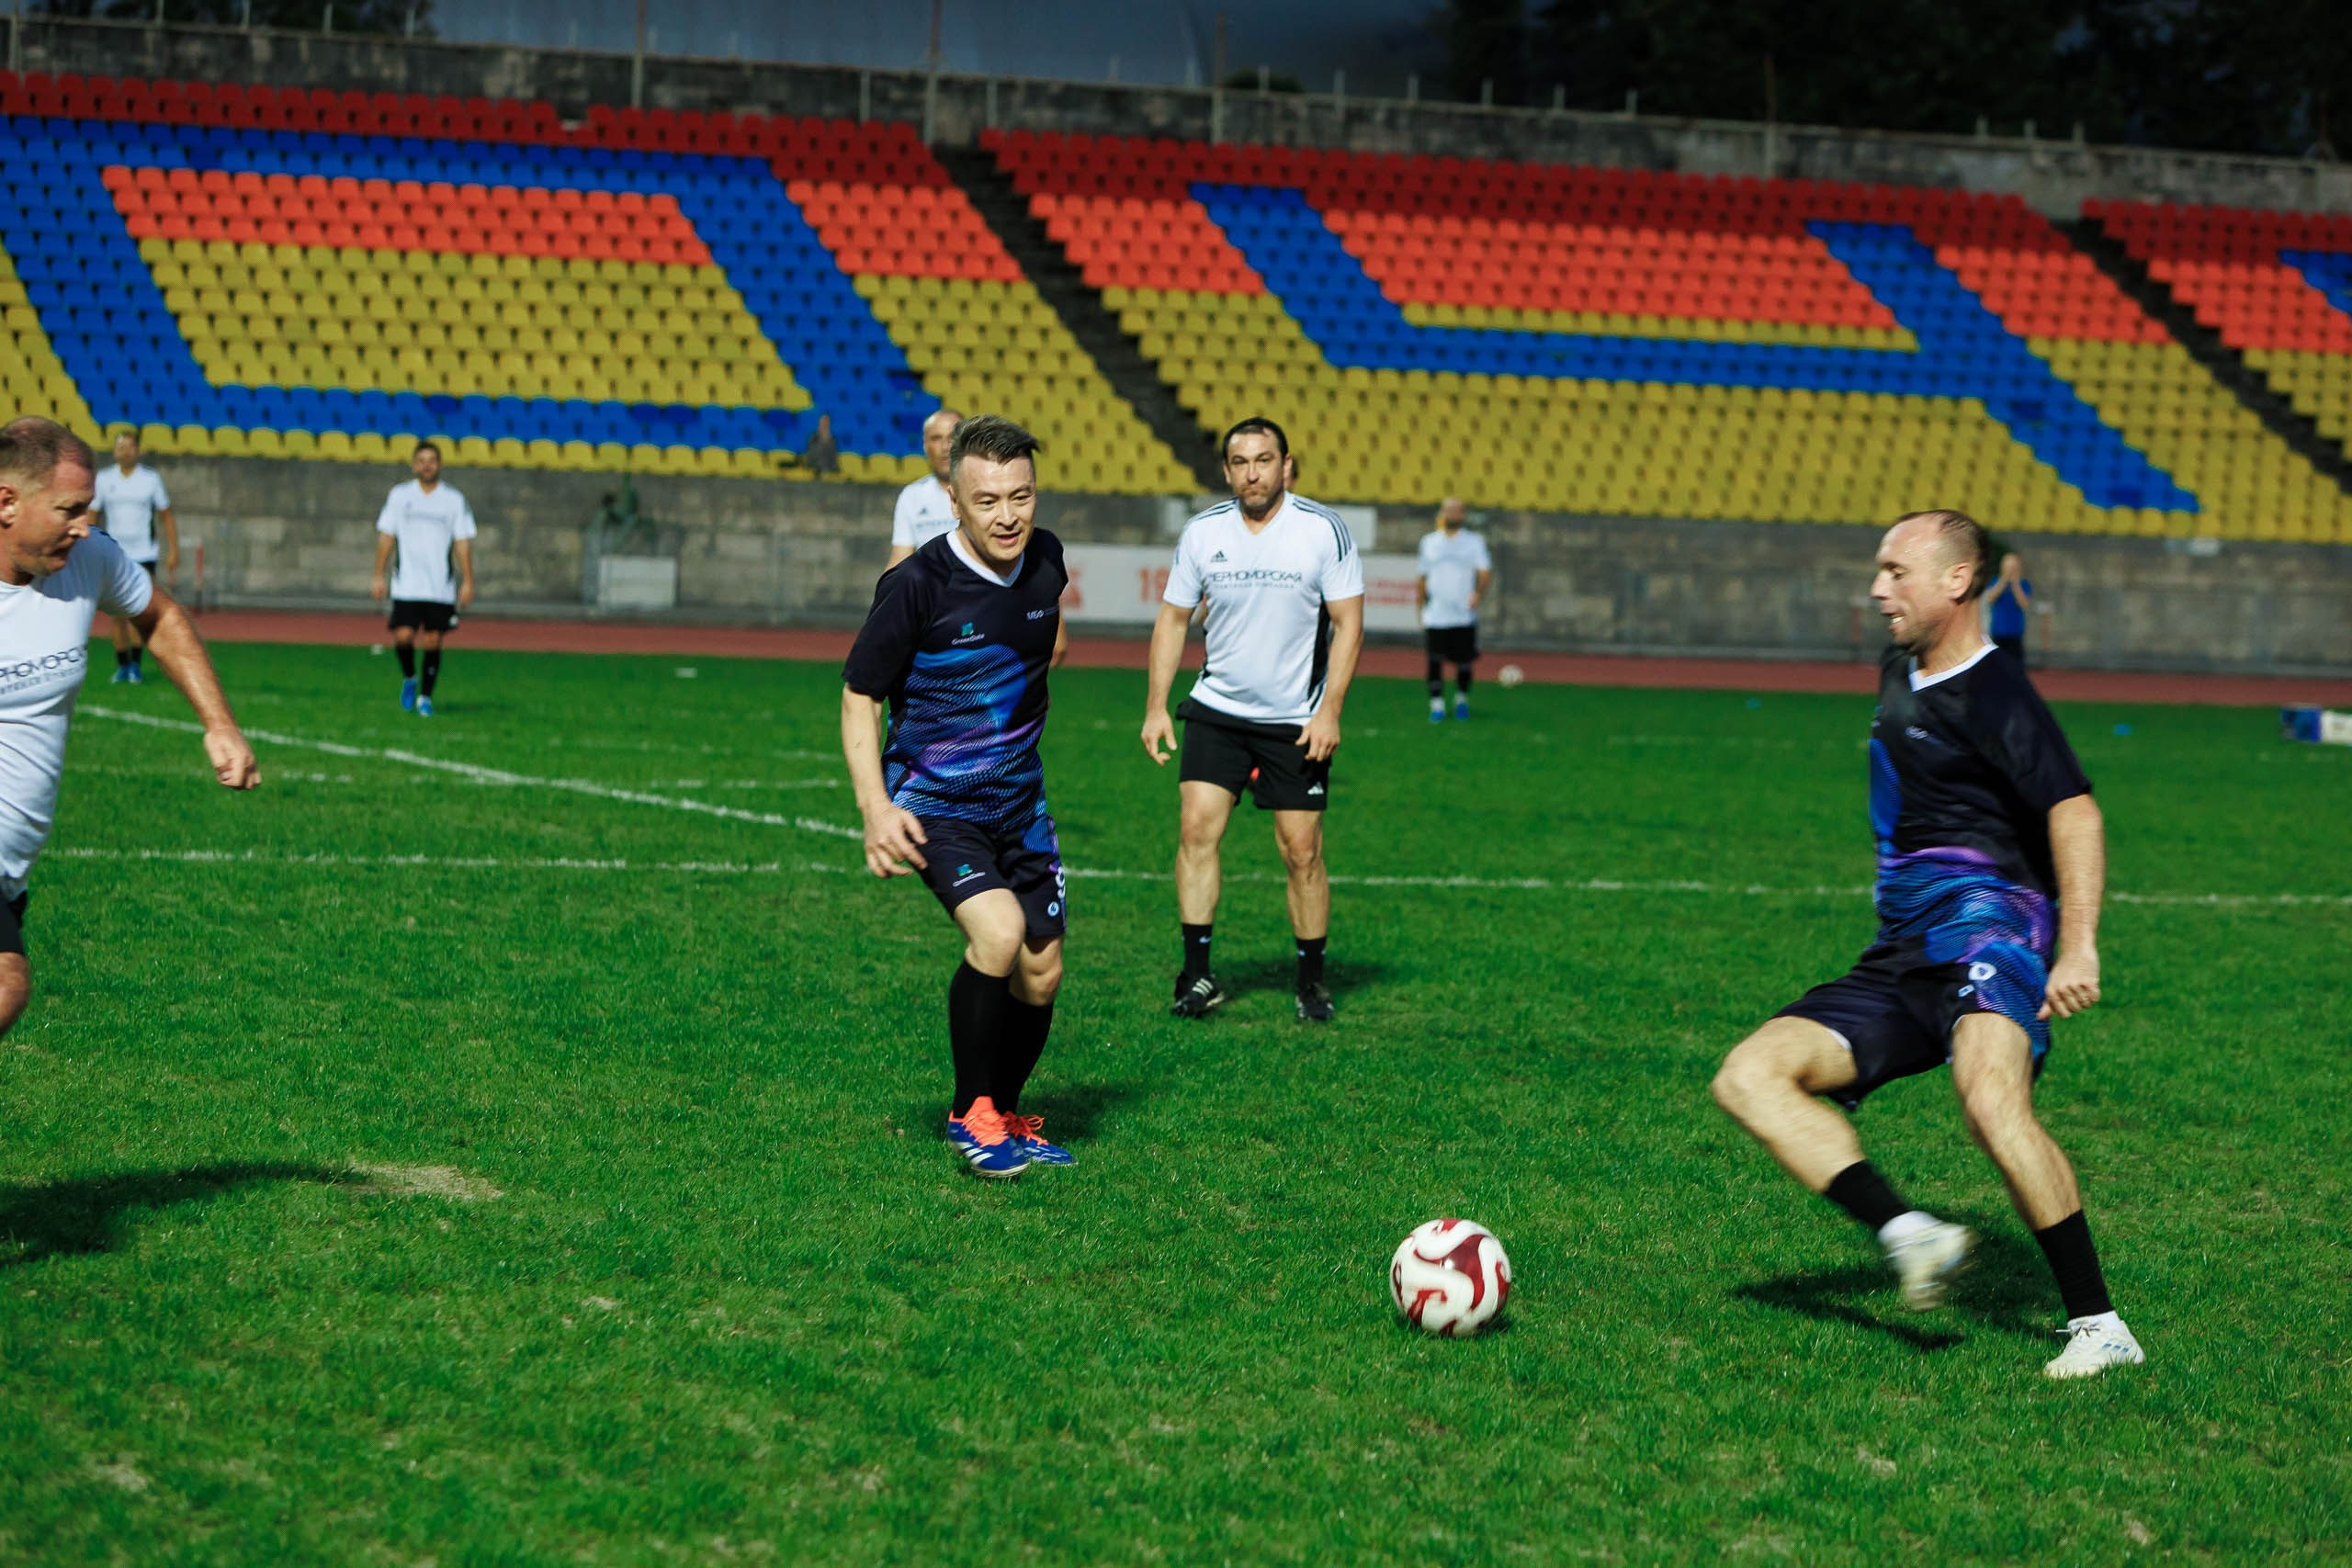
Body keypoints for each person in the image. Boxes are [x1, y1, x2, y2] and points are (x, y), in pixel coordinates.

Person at [1710, 509, 2142, 1381]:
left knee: (1988, 1100)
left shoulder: (1997, 693)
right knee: (1747, 1076)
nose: (1876, 588)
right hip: (1903, 951)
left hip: (1993, 929)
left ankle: (2100, 1324)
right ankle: (1911, 1234)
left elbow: (2075, 810)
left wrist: (2079, 947)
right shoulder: (1901, 665)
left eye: (1895, 571)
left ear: (1956, 581)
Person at [841, 414, 1074, 1179]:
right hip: (936, 804)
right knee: (999, 934)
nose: (1007, 514)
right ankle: (970, 1110)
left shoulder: (1046, 559)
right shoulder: (916, 586)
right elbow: (857, 695)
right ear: (953, 499)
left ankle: (1004, 1111)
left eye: (1021, 495)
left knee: (1042, 971)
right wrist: (878, 808)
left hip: (1020, 804)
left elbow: (1040, 635)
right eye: (987, 500)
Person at [0, 417, 258, 1039]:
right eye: (70, 508)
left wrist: (219, 724)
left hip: (11, 871)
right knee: (6, 980)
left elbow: (160, 615)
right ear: (7, 501)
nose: (84, 524)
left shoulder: (87, 559)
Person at [1141, 417, 1364, 1022]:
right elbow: (1172, 619)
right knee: (1195, 832)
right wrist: (1157, 705)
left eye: (1264, 459)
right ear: (1226, 470)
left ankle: (1311, 980)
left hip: (1297, 721)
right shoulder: (1203, 532)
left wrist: (1330, 712)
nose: (1253, 472)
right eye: (1240, 462)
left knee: (1301, 850)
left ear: (1286, 464)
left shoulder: (1322, 530)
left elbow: (1348, 622)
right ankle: (1198, 974)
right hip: (1217, 712)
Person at [370, 441, 475, 717]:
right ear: (414, 464)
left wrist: (468, 580)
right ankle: (410, 677)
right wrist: (377, 575)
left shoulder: (453, 500)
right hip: (407, 583)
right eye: (421, 460)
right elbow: (386, 537)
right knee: (403, 637)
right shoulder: (399, 495)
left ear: (439, 464)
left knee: (432, 641)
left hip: (440, 586)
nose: (426, 465)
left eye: (432, 460)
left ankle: (425, 698)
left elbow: (462, 542)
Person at [88, 430, 177, 685]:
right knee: (117, 613)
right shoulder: (104, 480)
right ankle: (122, 665)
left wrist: (173, 550)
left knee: (139, 611)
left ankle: (136, 665)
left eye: (129, 446)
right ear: (114, 451)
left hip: (144, 554)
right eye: (120, 447)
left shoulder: (150, 479)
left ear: (137, 450)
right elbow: (93, 515)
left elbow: (166, 515)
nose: (125, 451)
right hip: (114, 554)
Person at [1417, 496, 1492, 722]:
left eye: (1457, 511)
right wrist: (1420, 605)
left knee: (1464, 661)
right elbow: (1421, 576)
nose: (1452, 514)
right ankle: (1436, 704)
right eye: (1448, 510)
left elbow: (1485, 571)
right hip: (1436, 613)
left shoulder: (1474, 542)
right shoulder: (1429, 542)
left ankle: (1461, 700)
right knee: (1434, 660)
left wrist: (1478, 593)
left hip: (1462, 614)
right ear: (1441, 513)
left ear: (1463, 515)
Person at [887, 407, 964, 569]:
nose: (945, 447)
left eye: (953, 438)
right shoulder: (911, 496)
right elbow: (900, 559)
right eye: (936, 438)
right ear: (924, 445)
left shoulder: (987, 491)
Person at [1984, 551, 2035, 665]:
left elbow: (2024, 604)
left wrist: (2015, 583)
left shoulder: (2024, 584)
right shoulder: (1995, 581)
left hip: (2015, 633)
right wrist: (2004, 580)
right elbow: (1990, 598)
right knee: (1997, 667)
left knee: (2016, 666)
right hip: (1998, 631)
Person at [802, 412, 841, 479]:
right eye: (823, 421)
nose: (824, 423)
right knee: (821, 448)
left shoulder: (833, 439)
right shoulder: (813, 437)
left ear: (829, 423)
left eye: (826, 421)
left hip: (829, 468)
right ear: (819, 422)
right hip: (814, 466)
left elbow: (834, 456)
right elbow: (810, 452)